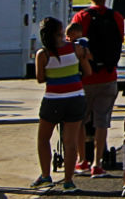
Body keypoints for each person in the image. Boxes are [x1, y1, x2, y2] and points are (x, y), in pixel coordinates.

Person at [71, 0, 125, 178]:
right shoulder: (117, 17)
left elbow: (73, 43)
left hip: (86, 78)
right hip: (108, 76)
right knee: (102, 121)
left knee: (80, 120)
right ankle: (97, 162)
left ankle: (82, 159)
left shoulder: (81, 17)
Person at [32, 16, 90, 192]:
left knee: (43, 139)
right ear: (61, 31)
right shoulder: (76, 48)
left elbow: (40, 78)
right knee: (70, 142)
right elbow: (87, 71)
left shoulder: (43, 54)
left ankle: (45, 176)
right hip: (75, 97)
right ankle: (68, 181)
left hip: (53, 99)